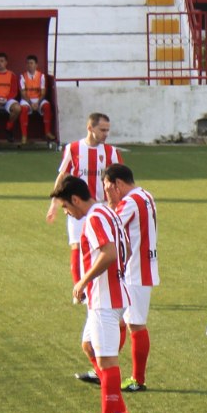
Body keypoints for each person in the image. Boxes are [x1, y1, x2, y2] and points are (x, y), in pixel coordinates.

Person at [50, 175, 131, 413]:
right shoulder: (108, 212)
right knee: (88, 346)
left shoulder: (94, 218)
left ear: (75, 199)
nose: (66, 212)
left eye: (65, 206)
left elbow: (109, 253)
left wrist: (83, 281)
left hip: (105, 301)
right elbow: (126, 249)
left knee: (107, 363)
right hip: (113, 296)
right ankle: (118, 408)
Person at [46, 113, 123, 303]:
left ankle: (107, 287)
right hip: (76, 208)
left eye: (107, 130)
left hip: (102, 208)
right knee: (77, 246)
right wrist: (54, 204)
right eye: (102, 130)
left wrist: (117, 205)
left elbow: (119, 180)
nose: (106, 134)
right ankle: (79, 291)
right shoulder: (73, 148)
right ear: (90, 128)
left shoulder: (111, 152)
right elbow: (63, 176)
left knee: (104, 248)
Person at [103, 164, 157, 392]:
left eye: (107, 187)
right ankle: (105, 368)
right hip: (142, 267)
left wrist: (110, 204)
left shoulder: (129, 203)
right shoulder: (146, 195)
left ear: (117, 184)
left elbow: (108, 228)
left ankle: (138, 379)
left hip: (136, 271)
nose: (107, 191)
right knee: (121, 321)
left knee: (136, 324)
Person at [18, 54, 56, 143]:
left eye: (31, 63)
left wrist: (38, 102)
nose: (29, 65)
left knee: (47, 106)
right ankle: (24, 135)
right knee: (23, 108)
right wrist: (31, 103)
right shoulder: (22, 76)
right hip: (27, 99)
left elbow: (43, 92)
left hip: (38, 99)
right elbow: (23, 93)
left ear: (36, 65)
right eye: (28, 63)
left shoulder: (41, 76)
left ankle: (47, 132)